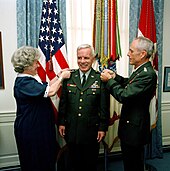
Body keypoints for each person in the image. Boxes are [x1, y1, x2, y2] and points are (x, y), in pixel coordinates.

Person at [100, 36, 157, 171]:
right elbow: (129, 84)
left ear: (142, 54)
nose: (127, 54)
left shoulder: (147, 74)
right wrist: (115, 77)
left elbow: (124, 95)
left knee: (133, 164)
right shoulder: (140, 69)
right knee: (130, 162)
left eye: (131, 51)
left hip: (135, 130)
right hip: (131, 127)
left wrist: (109, 81)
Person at [11, 46, 71, 171]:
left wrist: (58, 74)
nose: (38, 66)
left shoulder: (31, 80)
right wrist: (62, 78)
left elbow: (48, 85)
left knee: (45, 159)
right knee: (35, 162)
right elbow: (51, 92)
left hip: (39, 128)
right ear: (26, 66)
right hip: (31, 130)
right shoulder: (24, 83)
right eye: (35, 63)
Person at [58, 44, 110, 171]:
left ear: (92, 58)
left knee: (90, 163)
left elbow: (104, 106)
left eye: (86, 58)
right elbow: (63, 103)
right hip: (72, 129)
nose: (82, 61)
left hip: (91, 131)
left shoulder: (100, 78)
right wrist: (61, 123)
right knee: (72, 163)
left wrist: (103, 127)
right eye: (79, 58)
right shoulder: (69, 76)